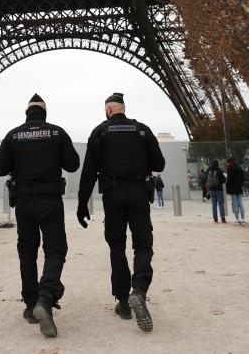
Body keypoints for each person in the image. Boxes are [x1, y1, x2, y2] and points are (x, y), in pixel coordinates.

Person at [77, 92, 165, 333]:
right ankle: (140, 289)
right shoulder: (142, 130)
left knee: (117, 247)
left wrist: (82, 203)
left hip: (113, 195)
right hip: (138, 193)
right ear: (123, 109)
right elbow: (159, 165)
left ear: (108, 110)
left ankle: (124, 302)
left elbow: (88, 171)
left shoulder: (100, 132)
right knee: (143, 245)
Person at [0, 93, 80, 338]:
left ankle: (32, 305)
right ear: (44, 113)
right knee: (55, 250)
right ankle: (46, 296)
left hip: (24, 202)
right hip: (51, 200)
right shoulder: (57, 132)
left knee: (27, 251)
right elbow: (73, 164)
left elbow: (0, 168)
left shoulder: (13, 135)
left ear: (27, 113)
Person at [226, 158, 246, 225]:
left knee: (235, 203)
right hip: (239, 187)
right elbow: (243, 178)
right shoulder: (240, 168)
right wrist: (240, 183)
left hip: (232, 188)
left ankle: (237, 219)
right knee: (240, 202)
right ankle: (243, 219)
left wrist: (227, 189)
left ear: (230, 162)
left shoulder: (229, 169)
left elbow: (228, 180)